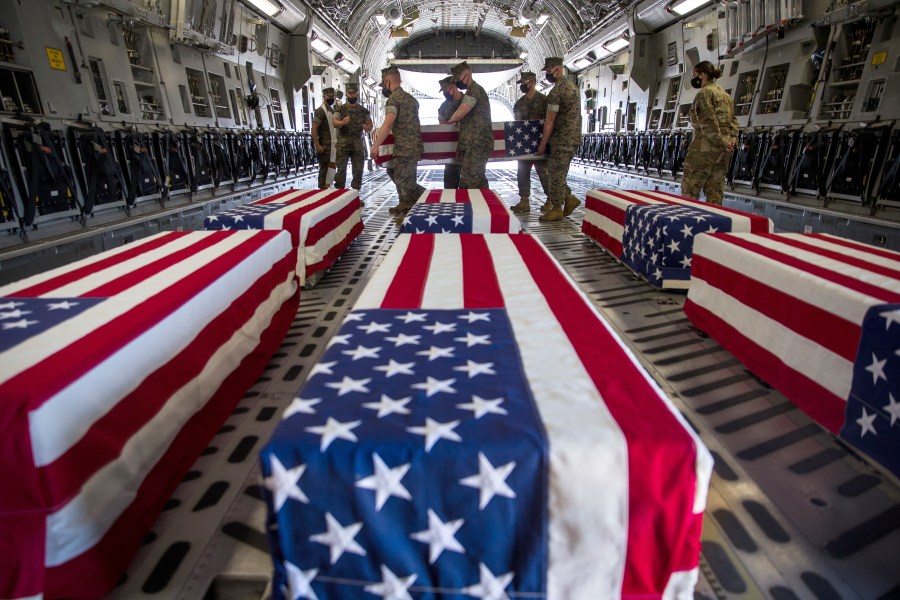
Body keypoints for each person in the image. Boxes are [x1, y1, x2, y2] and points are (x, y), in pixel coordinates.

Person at [681, 60, 739, 205]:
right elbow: (734, 122)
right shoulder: (726, 96)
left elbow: (708, 123)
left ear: (703, 75)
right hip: (723, 152)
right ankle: (714, 226)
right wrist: (731, 141)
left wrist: (721, 142)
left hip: (704, 150)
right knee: (715, 193)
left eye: (694, 75)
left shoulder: (704, 94)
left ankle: (686, 225)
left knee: (690, 191)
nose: (693, 78)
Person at [370, 66, 425, 214]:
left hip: (404, 147)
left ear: (387, 82)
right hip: (415, 146)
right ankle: (404, 202)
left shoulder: (393, 100)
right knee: (401, 174)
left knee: (404, 178)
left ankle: (416, 200)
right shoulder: (412, 100)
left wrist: (375, 146)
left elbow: (388, 124)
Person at [535, 57, 582, 222]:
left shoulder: (557, 91)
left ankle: (556, 208)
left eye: (548, 71)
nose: (547, 75)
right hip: (572, 138)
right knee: (559, 174)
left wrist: (542, 143)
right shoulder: (573, 88)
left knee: (554, 174)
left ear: (558, 69)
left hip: (561, 139)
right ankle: (569, 198)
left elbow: (550, 120)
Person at [446, 61, 493, 189]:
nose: (456, 82)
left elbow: (462, 110)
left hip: (478, 143)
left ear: (467, 75)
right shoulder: (471, 91)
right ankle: (487, 205)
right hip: (474, 143)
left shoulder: (474, 90)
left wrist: (449, 121)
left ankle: (467, 207)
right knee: (478, 179)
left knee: (468, 180)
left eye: (458, 79)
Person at [510, 71, 549, 214]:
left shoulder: (545, 101)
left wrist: (545, 143)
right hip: (525, 145)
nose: (522, 86)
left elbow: (549, 121)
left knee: (543, 172)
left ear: (532, 82)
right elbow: (517, 124)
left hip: (540, 142)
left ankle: (551, 200)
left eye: (524, 83)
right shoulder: (519, 104)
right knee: (522, 171)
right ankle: (524, 200)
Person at [333, 82, 373, 191]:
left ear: (357, 94)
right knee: (341, 170)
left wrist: (367, 127)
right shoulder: (340, 110)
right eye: (350, 93)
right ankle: (339, 193)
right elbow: (335, 122)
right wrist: (342, 122)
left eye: (354, 93)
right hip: (343, 145)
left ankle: (355, 194)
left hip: (357, 145)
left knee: (358, 171)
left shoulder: (363, 111)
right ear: (346, 94)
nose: (352, 96)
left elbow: (370, 124)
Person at [437, 76, 461, 189]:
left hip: (470, 147)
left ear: (454, 87)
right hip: (452, 149)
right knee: (450, 180)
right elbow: (442, 127)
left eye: (446, 90)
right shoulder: (443, 107)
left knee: (471, 180)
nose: (444, 94)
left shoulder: (468, 101)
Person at [311, 87, 336, 189]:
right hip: (324, 146)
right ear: (324, 97)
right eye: (329, 96)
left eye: (333, 96)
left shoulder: (331, 110)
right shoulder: (320, 111)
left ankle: (327, 187)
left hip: (332, 146)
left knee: (331, 169)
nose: (331, 98)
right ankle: (322, 189)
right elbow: (314, 128)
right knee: (324, 169)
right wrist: (317, 145)